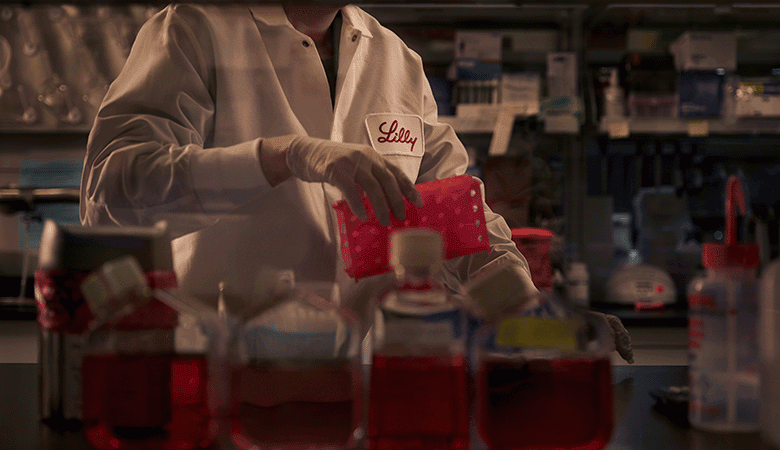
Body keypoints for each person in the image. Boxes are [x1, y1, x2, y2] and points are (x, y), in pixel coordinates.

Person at [80, 3, 632, 362]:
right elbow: (110, 196)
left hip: (365, 383)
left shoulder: (394, 58)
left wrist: (534, 315)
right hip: (224, 372)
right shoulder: (193, 28)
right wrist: (283, 156)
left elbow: (455, 212)